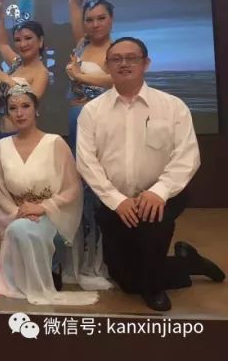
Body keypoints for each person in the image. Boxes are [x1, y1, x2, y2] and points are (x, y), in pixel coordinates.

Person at [77, 37, 224, 311]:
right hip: (114, 200)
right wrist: (117, 200)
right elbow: (87, 161)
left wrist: (159, 192)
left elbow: (187, 155)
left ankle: (154, 286)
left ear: (146, 63)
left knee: (150, 238)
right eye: (116, 59)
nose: (124, 64)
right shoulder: (91, 112)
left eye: (131, 58)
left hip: (162, 196)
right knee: (124, 279)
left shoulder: (172, 106)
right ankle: (188, 262)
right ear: (107, 66)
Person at [0, 85, 98, 305]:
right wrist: (18, 212)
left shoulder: (55, 143)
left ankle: (52, 265)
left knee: (22, 229)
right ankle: (32, 273)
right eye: (13, 108)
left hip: (52, 213)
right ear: (7, 113)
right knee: (19, 228)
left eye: (25, 106)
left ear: (37, 110)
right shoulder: (2, 147)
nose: (19, 113)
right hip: (19, 214)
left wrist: (43, 207)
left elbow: (73, 187)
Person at [64, 0, 115, 290]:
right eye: (90, 19)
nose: (94, 24)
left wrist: (81, 77)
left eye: (101, 18)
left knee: (99, 188)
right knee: (79, 190)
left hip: (102, 123)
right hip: (75, 120)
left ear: (111, 19)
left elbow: (115, 81)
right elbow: (73, 1)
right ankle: (78, 260)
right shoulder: (81, 43)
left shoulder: (117, 50)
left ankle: (100, 262)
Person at [0, 0, 49, 137]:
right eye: (17, 40)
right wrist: (1, 17)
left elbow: (31, 102)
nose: (23, 44)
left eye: (28, 38)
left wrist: (9, 82)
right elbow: (2, 44)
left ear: (40, 41)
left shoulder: (41, 72)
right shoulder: (16, 63)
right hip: (2, 131)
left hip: (22, 133)